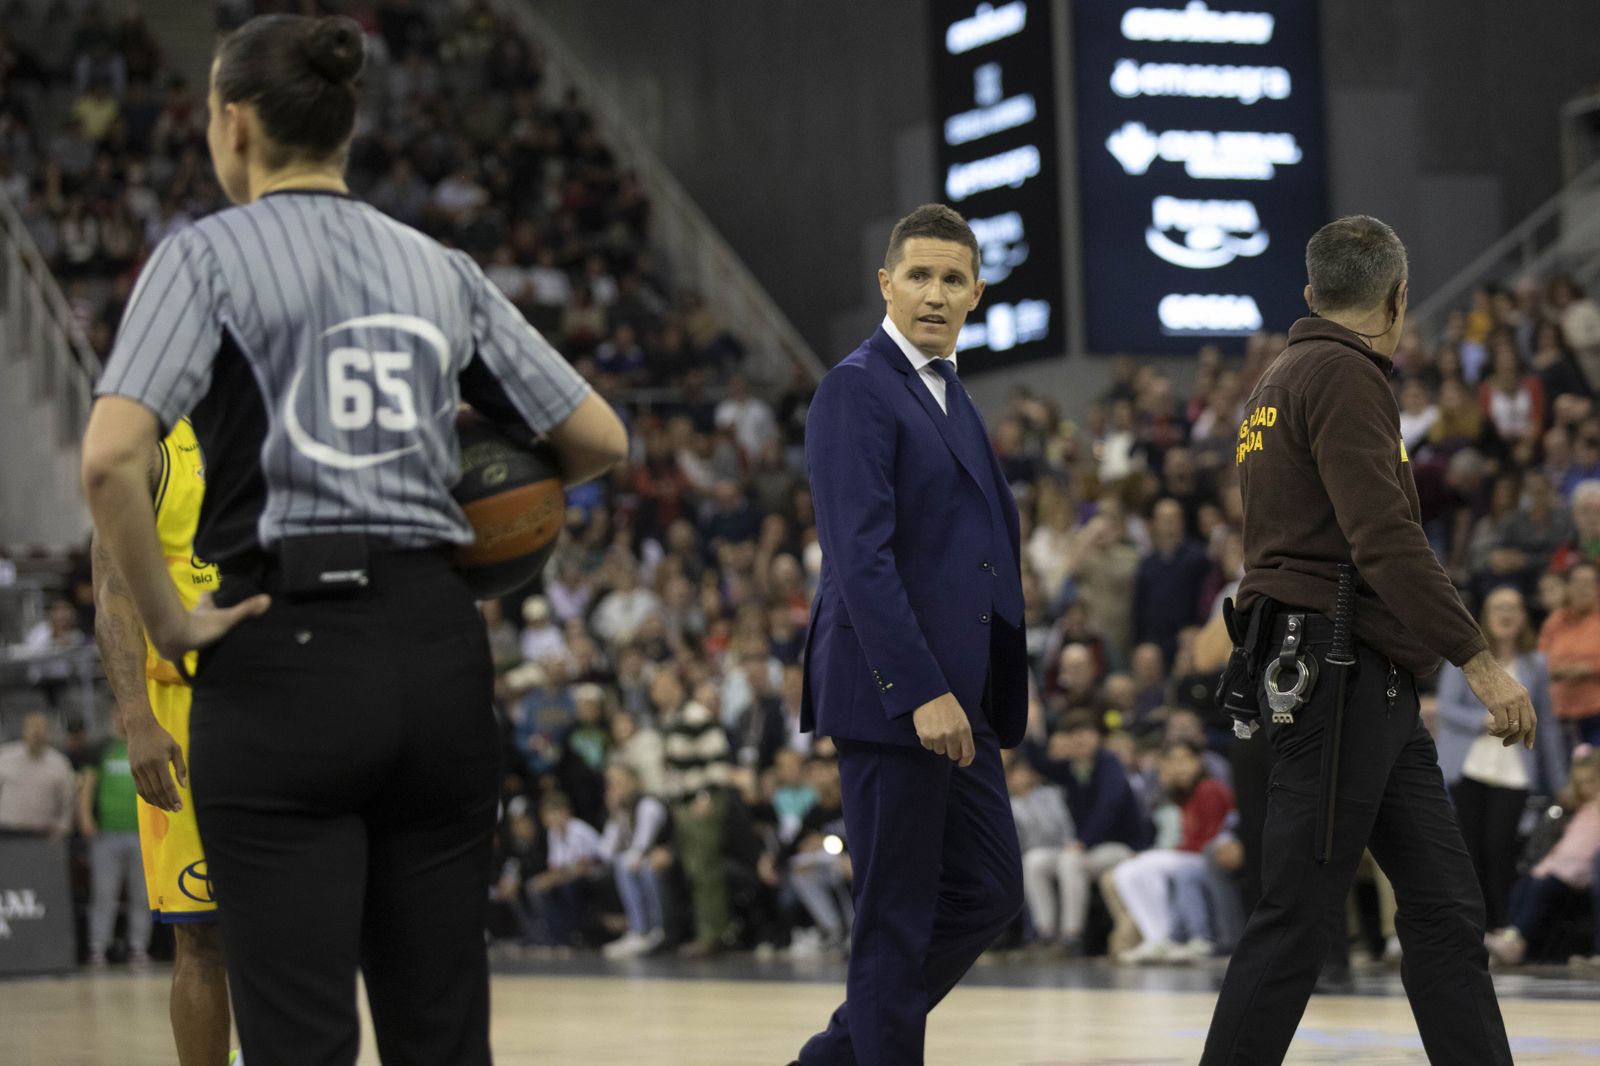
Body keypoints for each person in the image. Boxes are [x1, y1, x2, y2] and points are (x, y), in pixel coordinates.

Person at [79, 15, 627, 1065]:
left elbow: (107, 461)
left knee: (300, 1034)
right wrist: (473, 501)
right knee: (440, 1032)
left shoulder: (202, 256)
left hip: (279, 655)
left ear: (234, 125)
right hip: (437, 648)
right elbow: (599, 437)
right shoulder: (439, 265)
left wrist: (171, 621)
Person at [1202, 216, 1532, 1066]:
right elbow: (1382, 536)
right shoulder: (1346, 376)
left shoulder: (1275, 381)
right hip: (1336, 671)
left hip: (1357, 679)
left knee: (1446, 908)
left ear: (1312, 293)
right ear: (1398, 294)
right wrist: (1479, 658)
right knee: (1299, 918)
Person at [791, 204, 1026, 1066]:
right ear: (885, 283)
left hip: (963, 701)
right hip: (899, 697)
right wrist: (919, 688)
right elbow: (859, 555)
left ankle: (834, 1058)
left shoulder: (952, 392)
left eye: (952, 279)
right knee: (892, 919)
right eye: (919, 276)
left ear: (977, 293)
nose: (935, 293)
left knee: (992, 889)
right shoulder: (856, 386)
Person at [89, 419, 234, 1063]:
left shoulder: (285, 420)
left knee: (292, 927)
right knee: (199, 935)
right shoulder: (148, 441)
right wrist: (136, 718)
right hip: (181, 710)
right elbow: (112, 591)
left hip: (283, 695)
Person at [1435, 586, 1568, 927]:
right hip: (1470, 765)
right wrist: (1483, 721)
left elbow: (1548, 724)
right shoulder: (1468, 657)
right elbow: (1446, 708)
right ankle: (1472, 927)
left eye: (1513, 607)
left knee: (1500, 848)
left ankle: (1502, 926)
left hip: (1514, 770)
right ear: (1486, 617)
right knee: (1469, 849)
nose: (1506, 614)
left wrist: (1559, 780)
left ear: (1523, 616)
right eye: (1499, 607)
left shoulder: (1535, 662)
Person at [78, 713, 151, 970]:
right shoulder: (101, 750)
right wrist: (85, 816)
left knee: (141, 895)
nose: (122, 720)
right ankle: (98, 947)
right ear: (111, 718)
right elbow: (87, 785)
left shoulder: (144, 745)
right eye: (118, 715)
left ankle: (138, 947)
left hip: (142, 834)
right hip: (106, 835)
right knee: (103, 893)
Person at [1539, 561, 1600, 748]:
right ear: (1567, 587)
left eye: (1588, 583)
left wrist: (1589, 668)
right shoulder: (1555, 621)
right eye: (1577, 583)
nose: (1582, 589)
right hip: (1559, 714)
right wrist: (1560, 671)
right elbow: (1540, 661)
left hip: (1595, 712)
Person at [0, 712, 75, 838]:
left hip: (43, 834)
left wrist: (63, 827)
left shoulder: (59, 763)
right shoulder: (5, 756)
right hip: (7, 831)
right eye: (32, 729)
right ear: (24, 731)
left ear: (48, 733)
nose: (36, 734)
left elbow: (68, 800)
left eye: (40, 730)